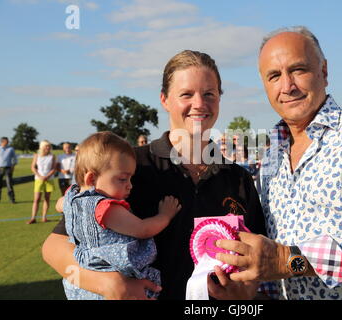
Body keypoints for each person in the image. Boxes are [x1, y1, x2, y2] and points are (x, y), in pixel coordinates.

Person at [216, 26, 342, 299]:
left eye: (298, 70)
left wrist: (288, 260)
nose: (287, 86)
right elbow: (274, 251)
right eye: (274, 76)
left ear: (324, 72)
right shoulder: (272, 156)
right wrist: (247, 289)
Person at [42, 50, 267, 300]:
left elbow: (255, 264)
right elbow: (53, 248)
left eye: (209, 94)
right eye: (186, 94)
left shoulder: (238, 179)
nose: (200, 104)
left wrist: (243, 293)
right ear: (164, 99)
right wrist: (107, 284)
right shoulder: (129, 168)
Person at [55, 131, 181, 299]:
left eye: (131, 179)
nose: (130, 186)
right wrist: (165, 215)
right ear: (92, 179)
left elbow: (59, 205)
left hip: (80, 285)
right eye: (123, 179)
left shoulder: (71, 197)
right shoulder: (107, 208)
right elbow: (142, 229)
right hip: (110, 281)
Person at [28, 140, 56, 224]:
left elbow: (54, 168)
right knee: (36, 199)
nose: (48, 148)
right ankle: (33, 218)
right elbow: (33, 167)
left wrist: (47, 176)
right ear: (42, 147)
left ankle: (44, 217)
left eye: (49, 146)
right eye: (46, 146)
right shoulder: (36, 155)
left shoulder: (52, 156)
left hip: (49, 179)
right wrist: (40, 176)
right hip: (38, 179)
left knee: (47, 199)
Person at [0, 137, 17, 204]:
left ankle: (12, 199)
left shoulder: (10, 149)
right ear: (2, 142)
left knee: (9, 184)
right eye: (6, 141)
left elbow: (14, 158)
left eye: (8, 141)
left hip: (8, 168)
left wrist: (13, 166)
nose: (7, 142)